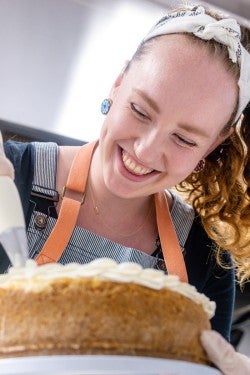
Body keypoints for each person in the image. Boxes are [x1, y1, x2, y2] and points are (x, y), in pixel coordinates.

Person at [1, 3, 250, 373]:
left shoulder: (204, 258)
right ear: (117, 85)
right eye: (141, 110)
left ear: (213, 145)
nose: (146, 149)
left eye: (183, 138)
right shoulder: (11, 177)